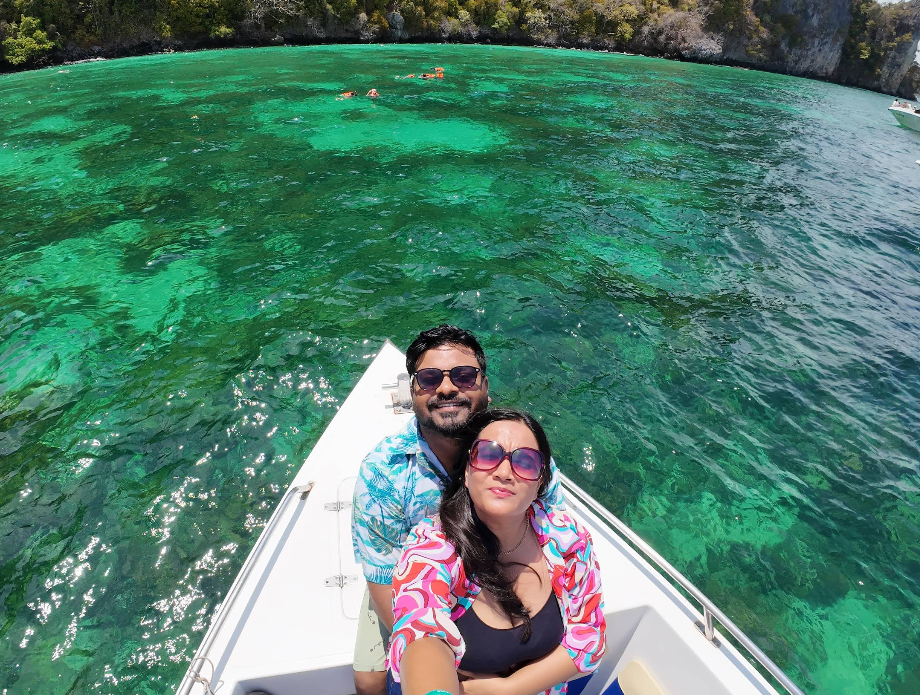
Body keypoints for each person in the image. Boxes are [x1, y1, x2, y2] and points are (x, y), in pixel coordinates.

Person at [351, 326, 566, 695]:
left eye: (464, 376)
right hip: (409, 585)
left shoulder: (522, 457)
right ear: (413, 391)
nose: (448, 388)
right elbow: (388, 588)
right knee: (370, 680)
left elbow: (554, 542)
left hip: (506, 580)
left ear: (484, 385)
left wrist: (513, 669)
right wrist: (468, 672)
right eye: (429, 378)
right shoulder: (382, 475)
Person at [388, 409, 606, 695]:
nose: (504, 473)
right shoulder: (431, 549)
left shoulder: (567, 540)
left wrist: (509, 689)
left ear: (540, 482)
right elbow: (421, 631)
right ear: (467, 471)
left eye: (526, 462)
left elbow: (590, 639)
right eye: (488, 455)